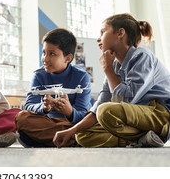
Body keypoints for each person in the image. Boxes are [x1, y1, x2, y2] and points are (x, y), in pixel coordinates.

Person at [53, 13, 170, 148]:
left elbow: (126, 100)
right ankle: (138, 139)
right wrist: (72, 130)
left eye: (103, 32)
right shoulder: (114, 65)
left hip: (160, 114)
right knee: (82, 134)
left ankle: (146, 136)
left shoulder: (142, 56)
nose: (98, 39)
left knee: (106, 111)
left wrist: (108, 70)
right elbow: (101, 102)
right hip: (135, 116)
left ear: (120, 33)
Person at [15, 28, 92, 147]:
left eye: (52, 54)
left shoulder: (82, 76)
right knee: (21, 117)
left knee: (89, 125)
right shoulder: (38, 75)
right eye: (44, 52)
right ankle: (70, 139)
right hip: (48, 122)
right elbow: (29, 105)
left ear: (68, 58)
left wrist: (70, 112)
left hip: (73, 124)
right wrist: (44, 108)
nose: (45, 59)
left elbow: (84, 113)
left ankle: (54, 138)